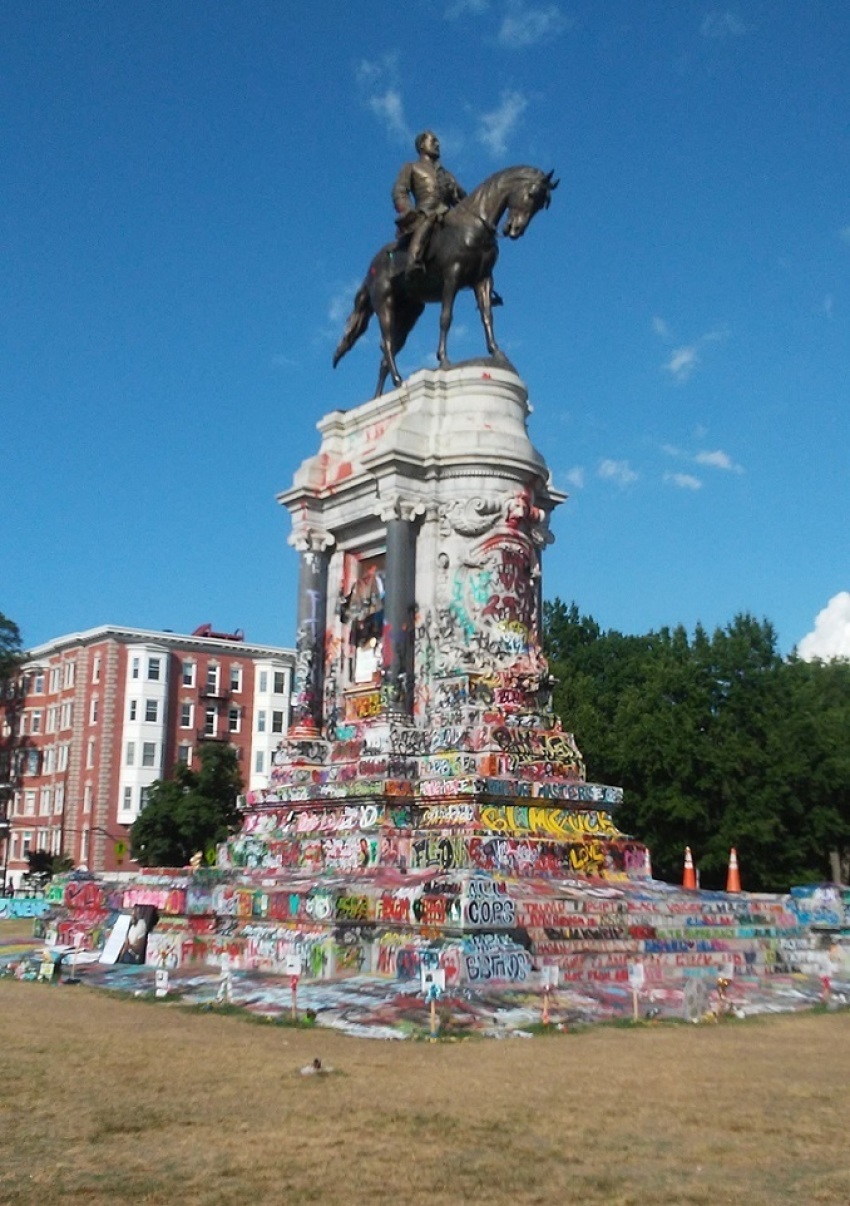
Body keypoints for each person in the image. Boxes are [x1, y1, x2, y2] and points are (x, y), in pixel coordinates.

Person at [392, 130, 466, 275]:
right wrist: (406, 210)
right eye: (433, 141)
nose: (437, 144)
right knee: (428, 222)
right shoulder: (411, 167)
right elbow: (399, 190)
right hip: (425, 213)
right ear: (421, 145)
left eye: (437, 141)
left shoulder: (446, 174)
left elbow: (461, 198)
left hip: (448, 213)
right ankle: (413, 261)